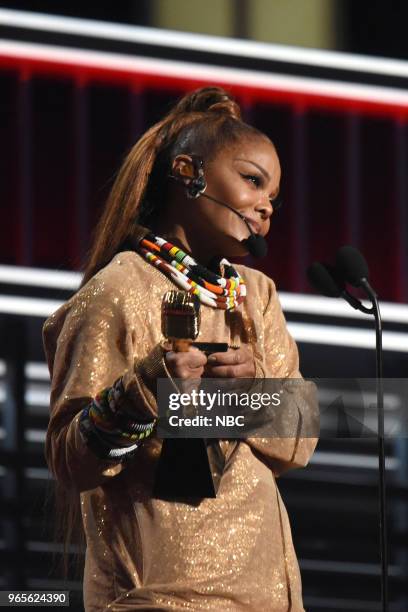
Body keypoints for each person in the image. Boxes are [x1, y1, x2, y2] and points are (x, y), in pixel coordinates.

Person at [43, 86, 319, 611]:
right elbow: (68, 460)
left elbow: (300, 441)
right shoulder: (117, 290)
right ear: (189, 172)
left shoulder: (257, 296)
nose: (265, 205)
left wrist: (253, 393)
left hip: (269, 598)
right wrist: (145, 390)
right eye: (253, 180)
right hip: (157, 597)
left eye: (274, 198)